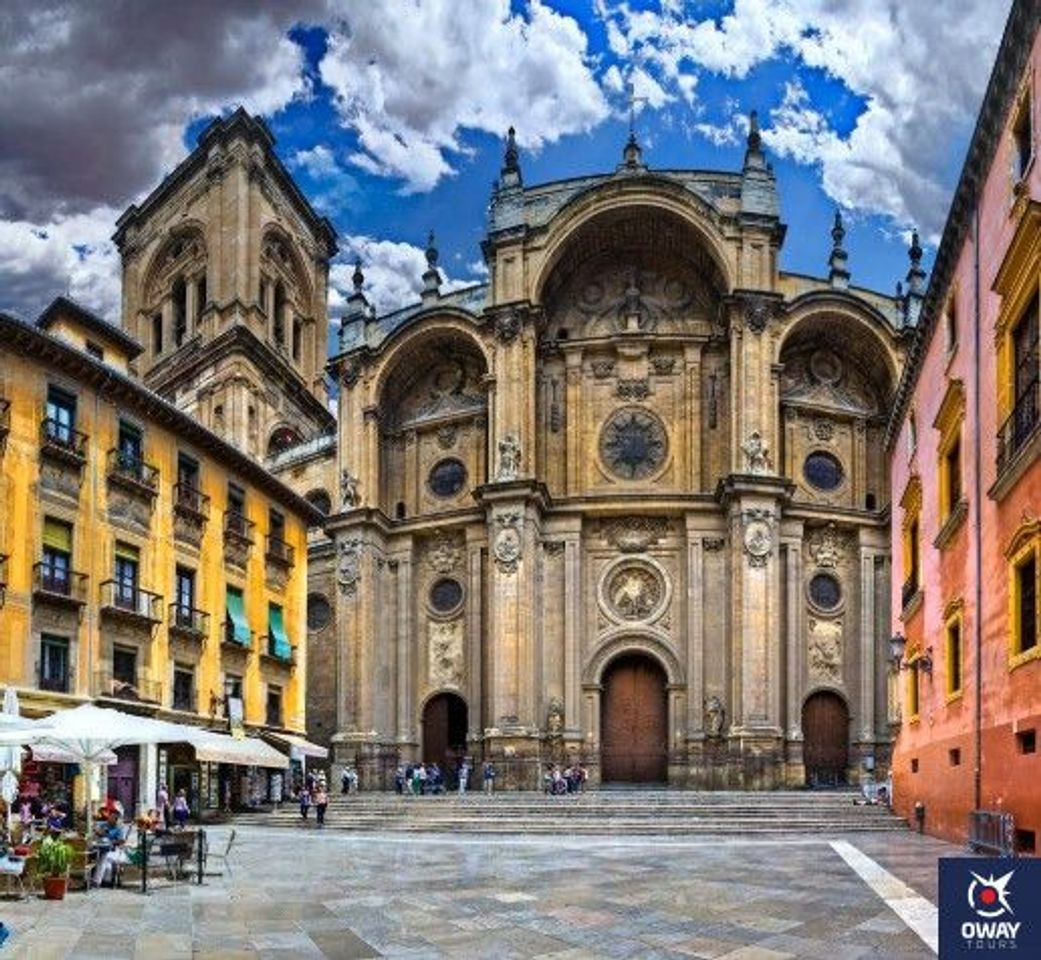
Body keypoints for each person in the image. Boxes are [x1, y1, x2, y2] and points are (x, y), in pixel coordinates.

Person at [91, 811, 127, 887]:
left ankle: (97, 881)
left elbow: (121, 841)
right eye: (109, 818)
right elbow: (97, 831)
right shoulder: (103, 825)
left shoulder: (118, 829)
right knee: (105, 862)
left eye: (112, 818)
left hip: (113, 851)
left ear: (116, 820)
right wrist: (98, 832)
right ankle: (103, 881)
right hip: (100, 848)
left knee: (104, 859)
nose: (109, 819)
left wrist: (112, 841)